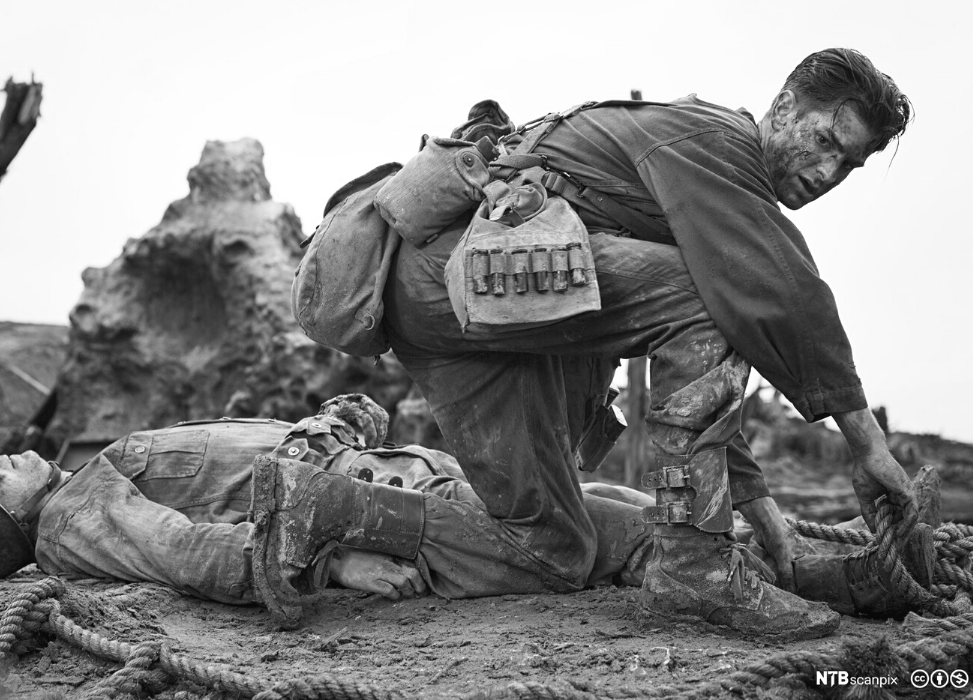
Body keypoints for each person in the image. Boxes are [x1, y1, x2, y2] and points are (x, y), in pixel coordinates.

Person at [383, 48, 916, 636]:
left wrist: (769, 521)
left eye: (848, 164)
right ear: (785, 108)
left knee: (549, 549)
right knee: (708, 296)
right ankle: (692, 568)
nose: (828, 173)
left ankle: (327, 505)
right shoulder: (717, 141)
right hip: (458, 274)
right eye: (824, 143)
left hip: (462, 299)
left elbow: (699, 384)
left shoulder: (709, 181)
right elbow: (788, 296)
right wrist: (868, 445)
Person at [0, 394, 934, 628]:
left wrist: (340, 419)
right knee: (614, 536)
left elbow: (245, 461)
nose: (8, 449)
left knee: (618, 508)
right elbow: (194, 553)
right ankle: (834, 581)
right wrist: (324, 560)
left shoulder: (93, 471)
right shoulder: (71, 517)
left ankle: (828, 564)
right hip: (375, 521)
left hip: (392, 484)